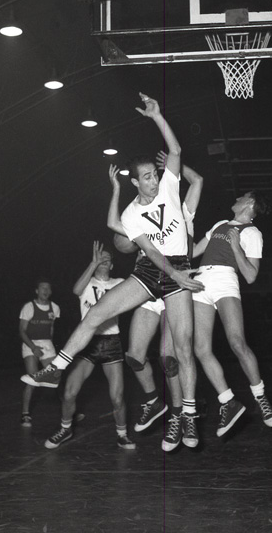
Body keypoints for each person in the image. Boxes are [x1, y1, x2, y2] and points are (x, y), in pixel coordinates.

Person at [21, 93, 205, 450]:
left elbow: (176, 150)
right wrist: (117, 191)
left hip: (178, 266)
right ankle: (56, 368)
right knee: (96, 314)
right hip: (155, 269)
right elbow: (150, 251)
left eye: (154, 175)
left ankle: (189, 415)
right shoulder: (132, 214)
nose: (154, 180)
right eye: (147, 178)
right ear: (135, 182)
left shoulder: (170, 184)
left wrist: (157, 116)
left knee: (183, 347)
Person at [108, 152, 204, 452]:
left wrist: (175, 166)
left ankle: (179, 415)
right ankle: (154, 401)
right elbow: (123, 235)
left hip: (175, 284)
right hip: (152, 282)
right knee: (134, 356)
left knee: (169, 357)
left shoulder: (182, 209)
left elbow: (197, 181)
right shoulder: (144, 214)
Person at [191, 190, 272, 438]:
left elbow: (250, 276)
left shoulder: (252, 233)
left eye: (242, 197)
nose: (236, 198)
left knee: (237, 342)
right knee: (200, 348)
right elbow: (193, 251)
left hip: (225, 280)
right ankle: (228, 401)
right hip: (201, 281)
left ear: (250, 203)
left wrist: (235, 246)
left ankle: (260, 397)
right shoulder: (220, 224)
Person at [45, 242, 136, 451]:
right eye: (99, 258)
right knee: (69, 392)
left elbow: (135, 292)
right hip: (87, 342)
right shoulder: (87, 282)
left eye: (106, 259)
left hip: (111, 341)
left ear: (112, 265)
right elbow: (76, 290)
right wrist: (92, 263)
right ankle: (65, 429)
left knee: (117, 397)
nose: (103, 261)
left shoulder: (119, 283)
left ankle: (122, 435)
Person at [18, 279, 59, 427]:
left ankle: (69, 412)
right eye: (42, 288)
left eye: (48, 288)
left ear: (51, 291)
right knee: (32, 379)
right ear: (37, 291)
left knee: (57, 376)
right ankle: (25, 414)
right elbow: (22, 331)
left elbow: (52, 328)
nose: (45, 291)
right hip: (30, 343)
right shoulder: (29, 307)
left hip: (46, 343)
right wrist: (34, 348)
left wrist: (48, 346)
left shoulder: (55, 308)